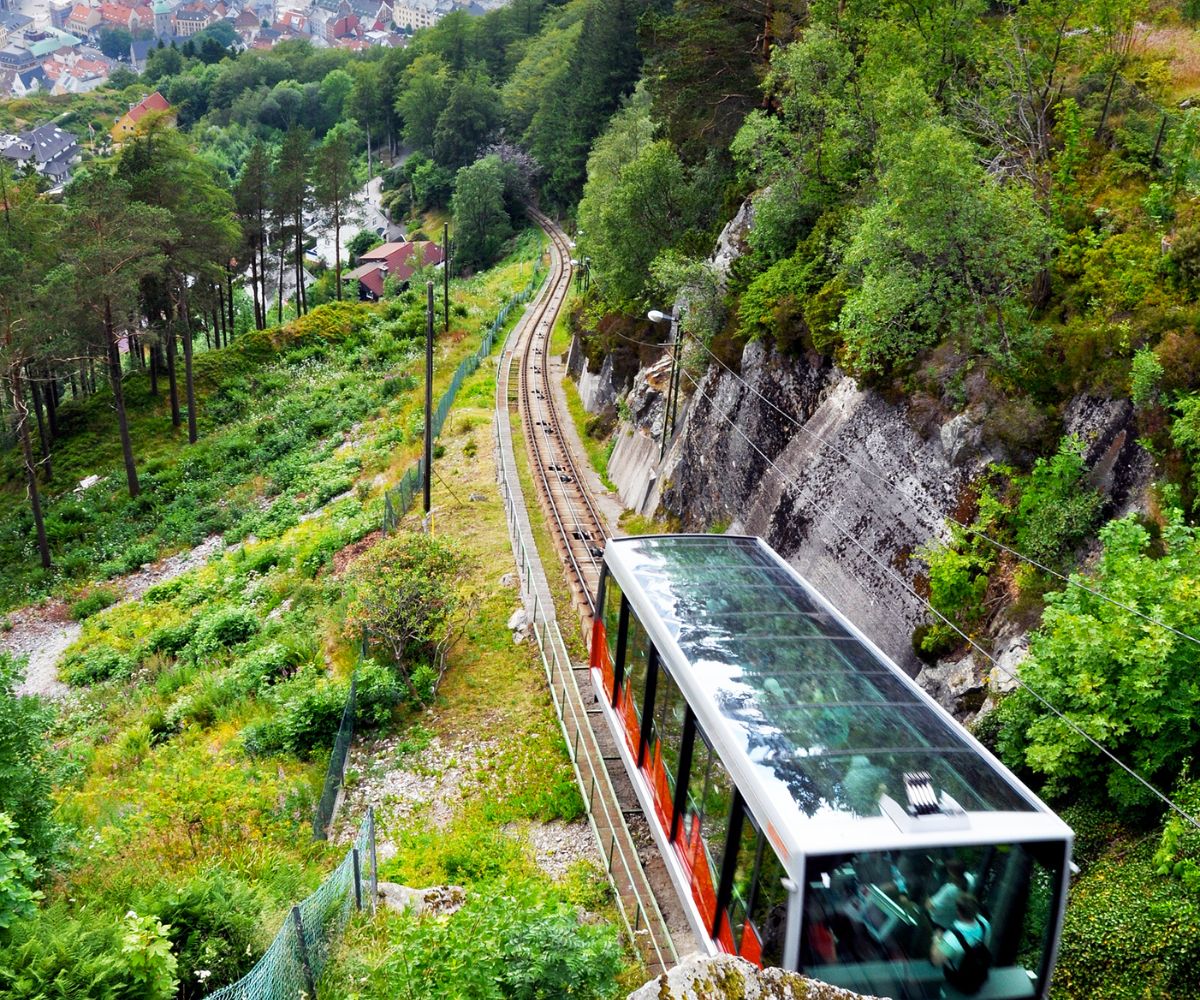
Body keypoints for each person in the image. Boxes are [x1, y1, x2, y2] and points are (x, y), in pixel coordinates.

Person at [930, 894, 991, 994]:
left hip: (957, 976)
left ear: (958, 912)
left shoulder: (952, 938)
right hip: (978, 970)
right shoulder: (984, 924)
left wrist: (937, 939)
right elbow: (985, 945)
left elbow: (936, 961)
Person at [927, 859, 972, 930]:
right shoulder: (970, 880)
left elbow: (930, 907)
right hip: (952, 922)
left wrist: (926, 898)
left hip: (939, 924)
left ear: (951, 873)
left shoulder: (950, 890)